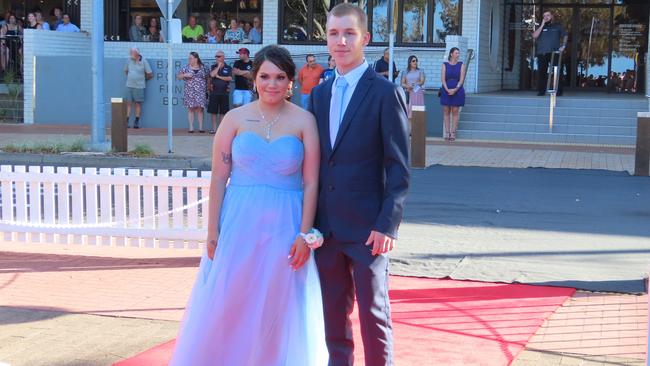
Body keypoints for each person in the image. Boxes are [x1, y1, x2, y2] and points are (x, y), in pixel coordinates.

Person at [169, 45, 327, 366]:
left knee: (278, 301)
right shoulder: (234, 119)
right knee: (232, 298)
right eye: (265, 76)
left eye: (280, 77)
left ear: (291, 82)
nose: (272, 84)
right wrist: (213, 230)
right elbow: (218, 177)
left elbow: (311, 182)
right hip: (239, 221)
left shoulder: (304, 121)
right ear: (254, 79)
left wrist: (305, 234)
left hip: (286, 223)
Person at [308, 3, 410, 365]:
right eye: (334, 34)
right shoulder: (319, 95)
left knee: (373, 316)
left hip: (369, 231)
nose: (341, 41)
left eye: (349, 33)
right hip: (327, 232)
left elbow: (399, 168)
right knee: (332, 319)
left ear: (365, 38)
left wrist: (387, 224)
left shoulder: (385, 92)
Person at [532, 11, 567, 96]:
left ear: (552, 16)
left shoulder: (557, 26)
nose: (546, 17)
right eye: (544, 16)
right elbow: (534, 36)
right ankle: (541, 91)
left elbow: (565, 35)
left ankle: (558, 91)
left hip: (554, 53)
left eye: (548, 15)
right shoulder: (540, 26)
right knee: (542, 72)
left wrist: (563, 46)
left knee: (557, 71)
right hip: (542, 53)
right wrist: (542, 25)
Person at [177, 52, 209, 133]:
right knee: (191, 109)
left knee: (200, 109)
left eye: (191, 58)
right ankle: (191, 127)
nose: (189, 60)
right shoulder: (186, 68)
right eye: (189, 58)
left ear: (196, 59)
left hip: (201, 91)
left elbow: (208, 78)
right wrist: (185, 75)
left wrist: (208, 88)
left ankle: (201, 128)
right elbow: (178, 76)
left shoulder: (204, 68)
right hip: (190, 91)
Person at [440, 47, 466, 142]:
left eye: (458, 53)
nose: (458, 55)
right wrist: (447, 89)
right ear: (451, 54)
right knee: (446, 111)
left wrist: (455, 89)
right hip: (446, 89)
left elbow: (462, 79)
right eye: (456, 53)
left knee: (455, 111)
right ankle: (447, 132)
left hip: (457, 90)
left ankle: (453, 133)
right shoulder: (445, 65)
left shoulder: (461, 65)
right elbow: (443, 79)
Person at [124, 47, 153, 129]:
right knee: (128, 103)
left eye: (131, 52)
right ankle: (126, 122)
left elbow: (150, 74)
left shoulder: (144, 61)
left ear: (137, 53)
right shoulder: (128, 60)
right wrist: (131, 78)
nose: (130, 54)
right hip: (129, 85)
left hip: (139, 86)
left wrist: (142, 80)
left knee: (138, 103)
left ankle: (136, 122)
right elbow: (126, 71)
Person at [207, 50, 232, 134]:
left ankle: (221, 130)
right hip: (214, 92)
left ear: (223, 57)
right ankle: (214, 129)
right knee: (213, 112)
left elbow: (229, 78)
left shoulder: (228, 67)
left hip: (224, 93)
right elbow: (212, 75)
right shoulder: (213, 66)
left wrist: (219, 77)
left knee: (223, 112)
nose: (217, 58)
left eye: (219, 56)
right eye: (216, 56)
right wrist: (218, 67)